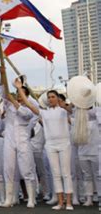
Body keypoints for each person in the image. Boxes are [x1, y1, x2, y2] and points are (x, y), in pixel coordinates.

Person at [15, 80, 74, 210]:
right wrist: (20, 89)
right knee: (56, 173)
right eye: (49, 97)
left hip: (64, 144)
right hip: (51, 145)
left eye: (53, 97)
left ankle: (69, 202)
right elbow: (28, 104)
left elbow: (72, 107)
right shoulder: (44, 113)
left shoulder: (64, 111)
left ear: (58, 98)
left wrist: (67, 102)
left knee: (66, 173)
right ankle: (60, 202)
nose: (51, 99)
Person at [0, 70, 37, 208]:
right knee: (8, 168)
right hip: (9, 139)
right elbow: (3, 92)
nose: (18, 98)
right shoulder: (8, 105)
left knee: (26, 169)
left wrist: (15, 100)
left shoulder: (30, 108)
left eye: (21, 96)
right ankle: (9, 198)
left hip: (23, 140)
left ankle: (31, 198)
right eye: (17, 96)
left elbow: (25, 115)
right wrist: (2, 74)